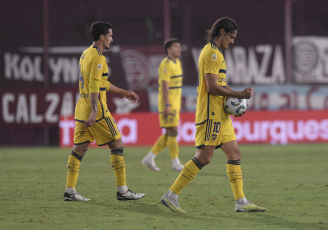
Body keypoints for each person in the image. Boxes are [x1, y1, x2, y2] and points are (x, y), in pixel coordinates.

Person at [161, 17, 266, 212]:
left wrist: (236, 103)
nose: (232, 41)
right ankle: (171, 195)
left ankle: (241, 201)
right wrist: (240, 94)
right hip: (210, 114)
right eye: (231, 37)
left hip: (221, 114)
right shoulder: (211, 53)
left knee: (234, 152)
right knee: (204, 157)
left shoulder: (217, 53)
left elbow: (221, 85)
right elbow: (212, 87)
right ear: (222, 32)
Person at [63, 22, 145, 201]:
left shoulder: (86, 54)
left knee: (79, 149)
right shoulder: (98, 57)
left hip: (81, 108)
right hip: (96, 109)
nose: (111, 39)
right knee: (117, 144)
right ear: (102, 37)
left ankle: (69, 191)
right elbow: (94, 85)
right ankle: (123, 191)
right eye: (110, 35)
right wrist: (94, 111)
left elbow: (102, 84)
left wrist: (124, 92)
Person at [142, 38, 183, 172]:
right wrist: (166, 104)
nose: (179, 48)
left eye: (179, 46)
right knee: (173, 131)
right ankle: (175, 163)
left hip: (175, 103)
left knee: (170, 133)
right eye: (176, 46)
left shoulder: (177, 63)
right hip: (168, 103)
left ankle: (149, 157)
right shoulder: (166, 64)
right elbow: (165, 85)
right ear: (168, 50)